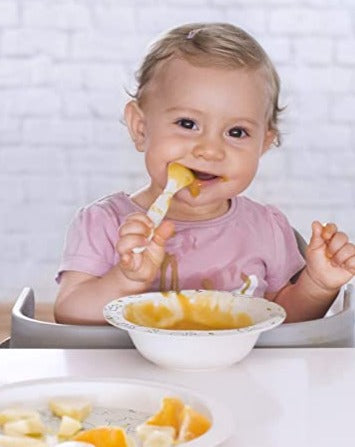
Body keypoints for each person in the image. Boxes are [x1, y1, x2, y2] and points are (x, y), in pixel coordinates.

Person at [54, 23, 355, 325]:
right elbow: (69, 313)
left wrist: (318, 284)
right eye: (187, 124)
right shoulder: (104, 223)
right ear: (141, 128)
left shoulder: (268, 229)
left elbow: (285, 321)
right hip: (129, 372)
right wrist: (124, 279)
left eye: (237, 132)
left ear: (263, 144)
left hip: (239, 372)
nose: (210, 150)